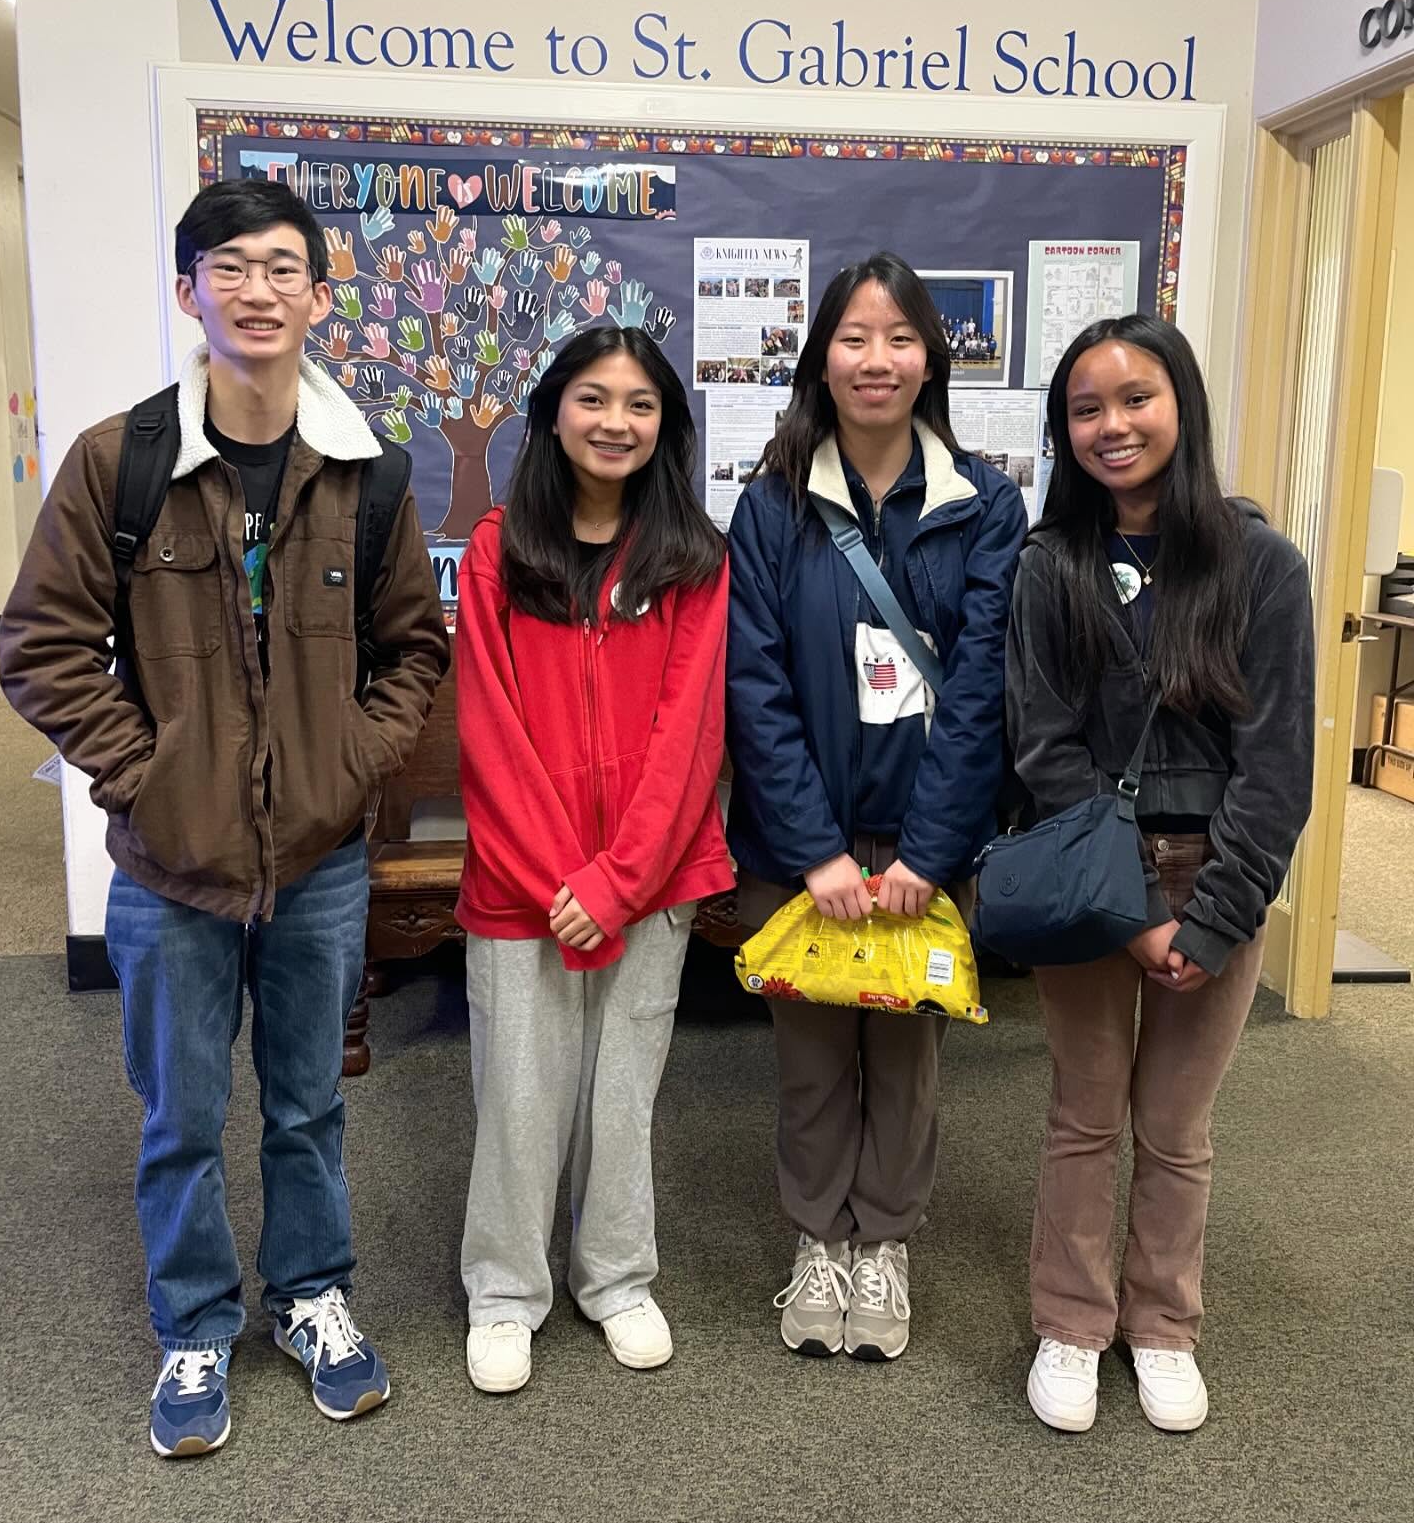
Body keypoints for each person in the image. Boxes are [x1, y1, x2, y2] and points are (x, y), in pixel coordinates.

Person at [0, 180, 450, 1457]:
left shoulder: (368, 473)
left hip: (319, 866)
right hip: (168, 870)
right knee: (181, 1116)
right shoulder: (118, 460)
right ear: (189, 288)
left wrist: (351, 763)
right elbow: (38, 649)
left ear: (319, 295)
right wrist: (142, 773)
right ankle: (194, 1324)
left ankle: (313, 1298)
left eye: (283, 268)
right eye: (229, 266)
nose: (258, 290)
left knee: (308, 1106)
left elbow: (413, 647)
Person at [1007, 313, 1314, 1435]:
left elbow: (1278, 765)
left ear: (1181, 403)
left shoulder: (1260, 565)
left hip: (1218, 872)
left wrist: (1216, 914)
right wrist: (1130, 908)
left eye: (1135, 399)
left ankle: (1164, 1325)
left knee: (1178, 1125)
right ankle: (1072, 1323)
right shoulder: (1051, 565)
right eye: (1085, 410)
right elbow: (1043, 749)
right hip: (1092, 878)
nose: (1112, 426)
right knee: (1085, 1114)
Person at [725, 251, 1026, 1361]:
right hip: (800, 852)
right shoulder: (769, 506)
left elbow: (985, 687)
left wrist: (931, 851)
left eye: (900, 338)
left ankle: (884, 1245)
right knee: (810, 1059)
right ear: (820, 357)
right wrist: (813, 854)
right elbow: (752, 687)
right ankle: (817, 1240)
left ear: (930, 358)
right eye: (853, 337)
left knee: (905, 1059)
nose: (877, 359)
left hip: (920, 850)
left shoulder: (987, 507)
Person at [453, 324, 732, 1394]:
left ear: (665, 424)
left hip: (652, 879)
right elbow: (491, 728)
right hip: (525, 883)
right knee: (519, 1094)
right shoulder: (495, 550)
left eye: (640, 404)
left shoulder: (694, 557)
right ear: (554, 412)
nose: (616, 422)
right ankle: (507, 1289)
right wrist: (559, 876)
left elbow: (689, 735)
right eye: (593, 399)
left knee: (624, 1090)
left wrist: (615, 882)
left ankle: (615, 1275)